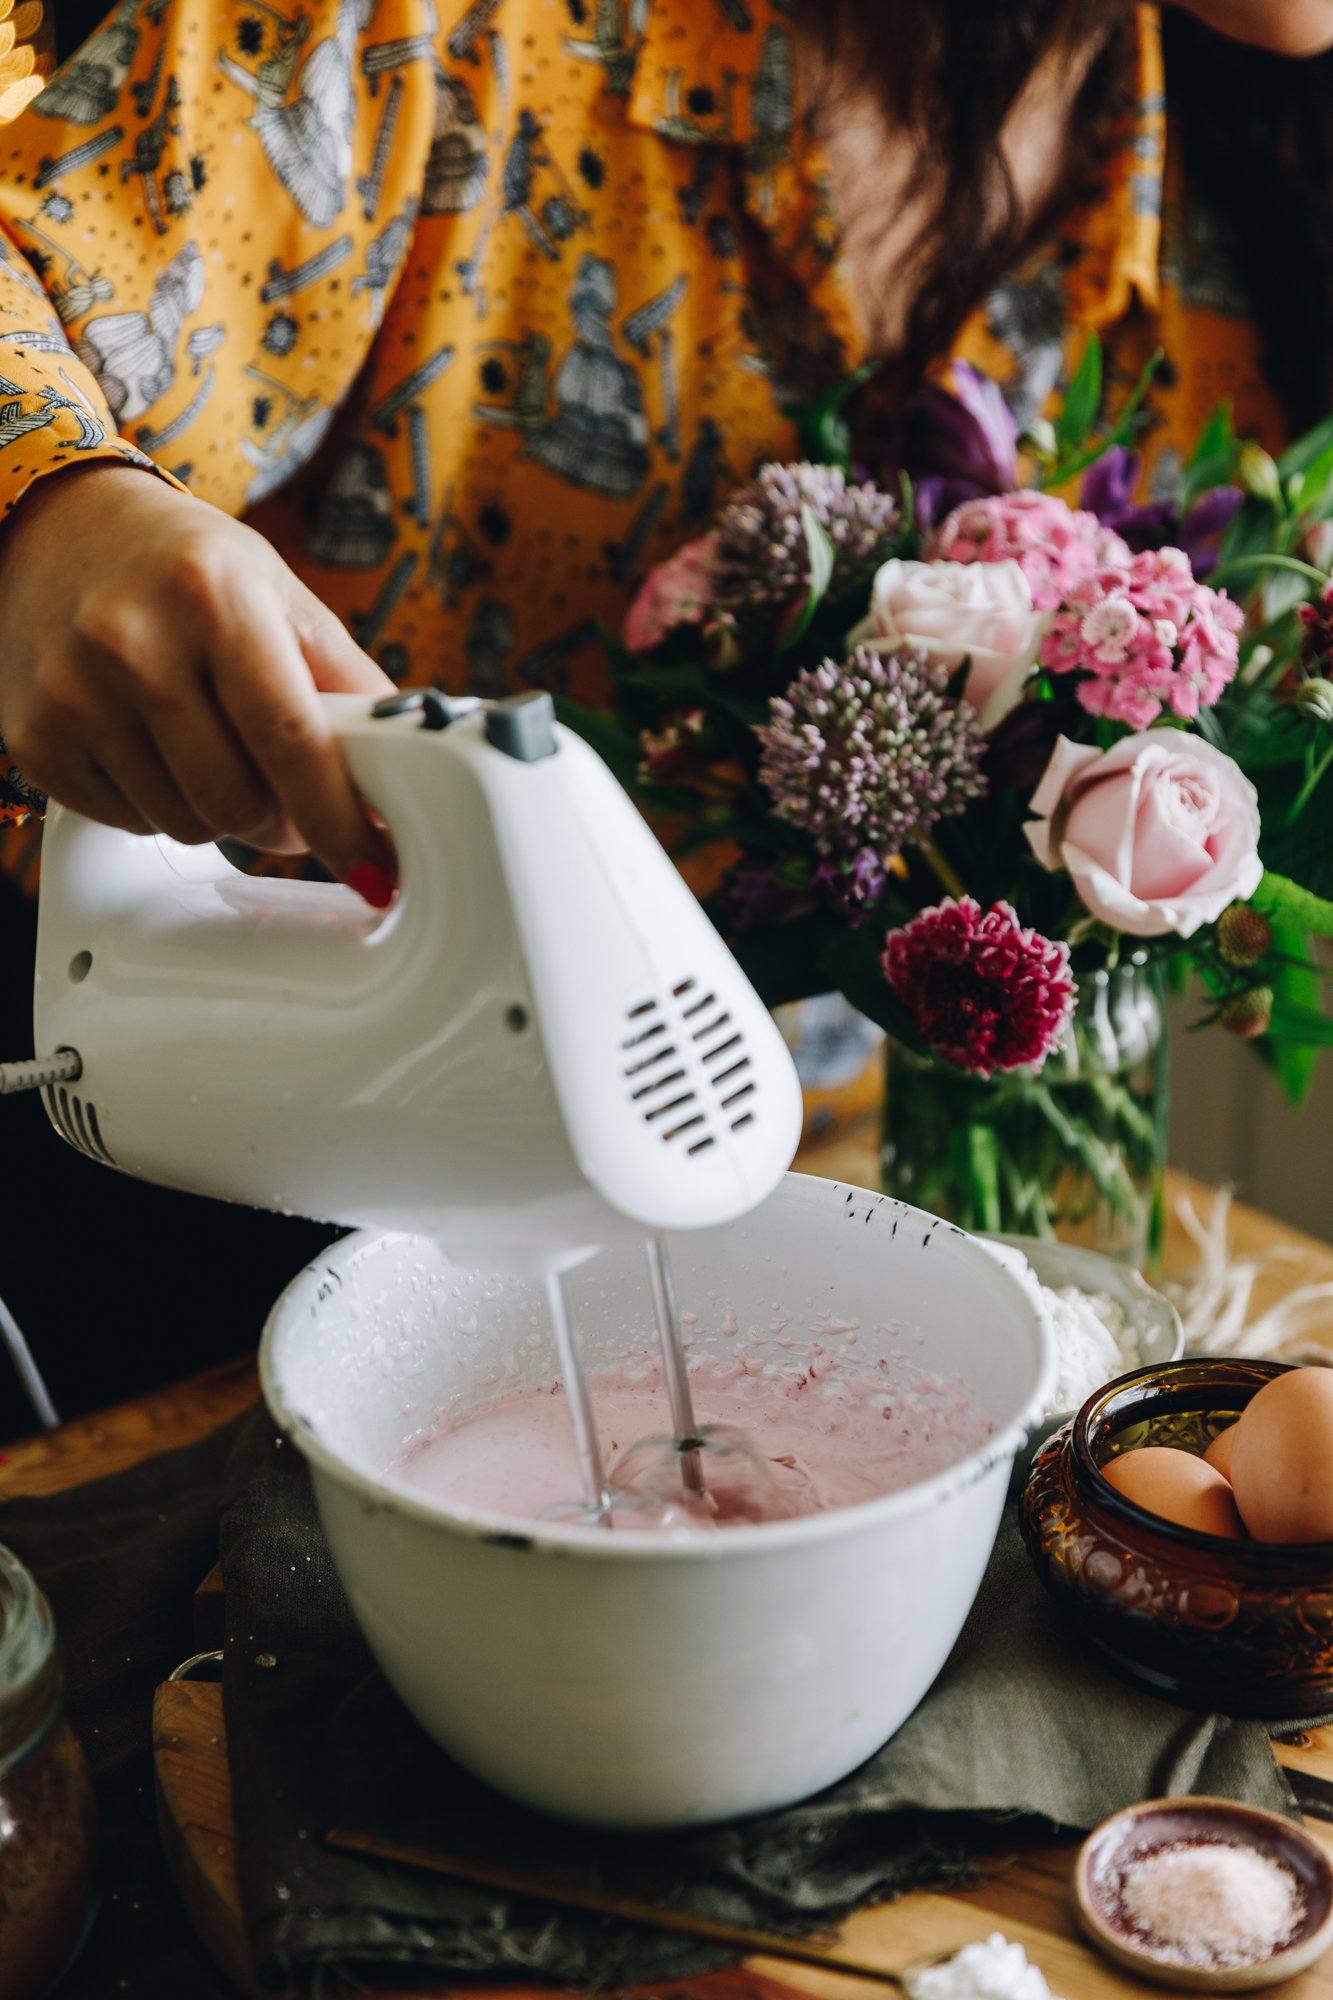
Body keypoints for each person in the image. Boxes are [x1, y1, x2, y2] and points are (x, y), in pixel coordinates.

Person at [0, 0, 1328, 1422]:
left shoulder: (1225, 163)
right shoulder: (436, 38)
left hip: (807, 1184)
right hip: (209, 1208)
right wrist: (55, 516)